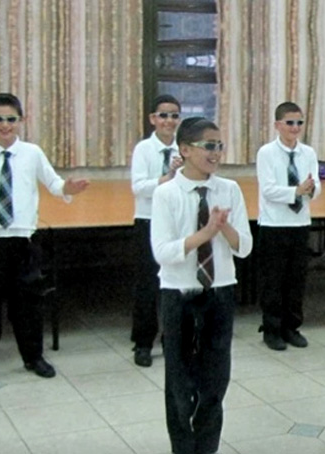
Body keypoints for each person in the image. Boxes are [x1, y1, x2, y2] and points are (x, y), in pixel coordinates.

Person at [151, 117, 252, 454]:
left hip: (219, 293)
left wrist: (222, 228)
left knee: (214, 384)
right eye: (209, 145)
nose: (217, 152)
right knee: (180, 386)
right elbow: (163, 253)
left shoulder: (229, 190)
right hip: (178, 296)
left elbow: (245, 247)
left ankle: (207, 448)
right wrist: (205, 234)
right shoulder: (166, 193)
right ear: (185, 149)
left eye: (220, 145)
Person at [0, 93, 89, 385]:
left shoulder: (32, 153)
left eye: (11, 119)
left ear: (21, 121)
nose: (5, 125)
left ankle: (33, 357)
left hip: (24, 239)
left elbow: (54, 184)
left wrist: (70, 188)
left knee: (28, 303)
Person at [255, 102, 321, 350]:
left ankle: (291, 327)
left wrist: (311, 189)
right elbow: (269, 190)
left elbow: (316, 184)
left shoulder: (308, 153)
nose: (295, 128)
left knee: (296, 280)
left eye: (299, 123)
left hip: (300, 222)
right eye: (290, 122)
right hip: (274, 224)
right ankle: (271, 330)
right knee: (274, 281)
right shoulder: (267, 153)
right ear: (277, 125)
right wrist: (297, 191)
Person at [130, 94, 185, 367]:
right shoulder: (143, 149)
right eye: (163, 115)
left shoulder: (185, 149)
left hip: (176, 223)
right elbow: (139, 187)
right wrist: (167, 178)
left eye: (174, 115)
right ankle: (142, 343)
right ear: (153, 119)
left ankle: (172, 339)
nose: (169, 121)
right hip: (148, 222)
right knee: (147, 286)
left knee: (174, 284)